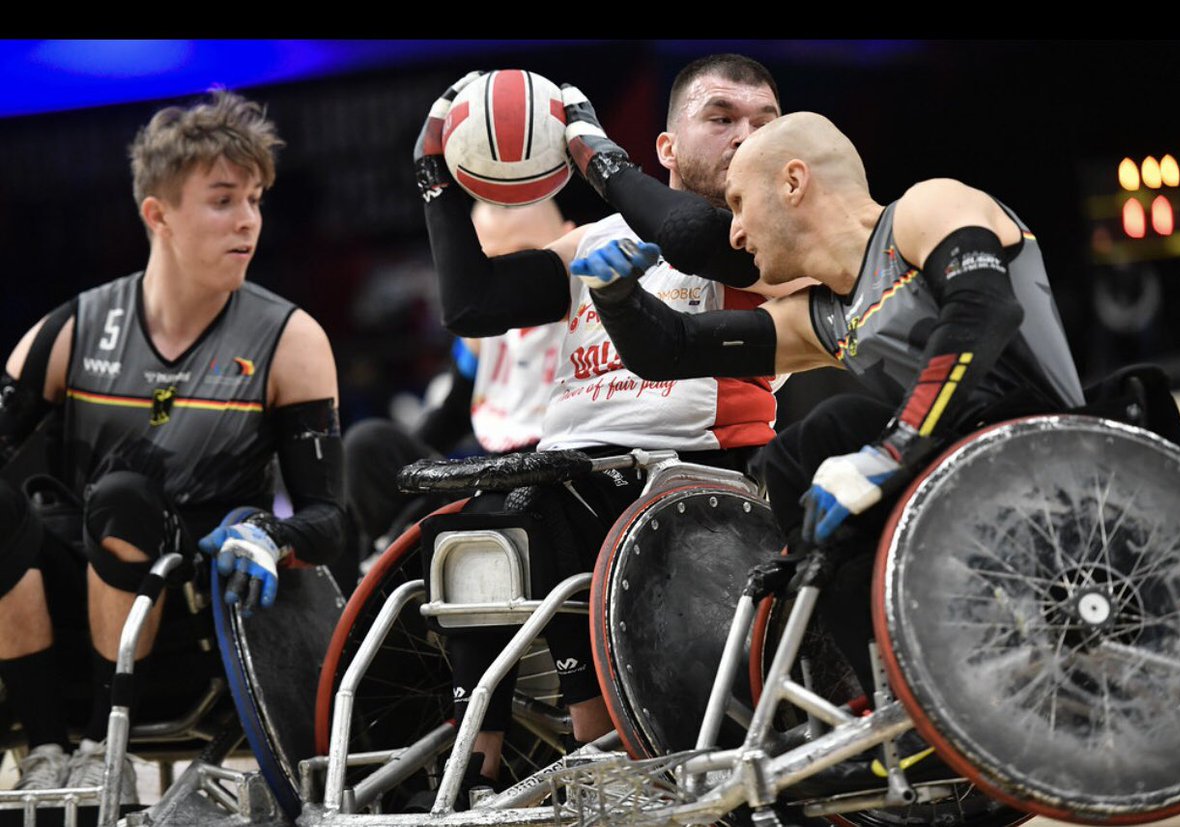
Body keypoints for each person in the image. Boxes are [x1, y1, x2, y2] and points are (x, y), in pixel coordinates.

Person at [571, 110, 1087, 687]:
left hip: (1059, 468)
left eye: (739, 204)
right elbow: (673, 350)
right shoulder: (825, 314)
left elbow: (984, 310)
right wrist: (615, 296)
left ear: (793, 183)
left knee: (846, 423)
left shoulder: (926, 208)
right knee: (805, 450)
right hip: (958, 487)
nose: (734, 235)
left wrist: (891, 453)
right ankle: (888, 696)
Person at [414, 54, 786, 795]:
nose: (746, 135)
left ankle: (601, 745)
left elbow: (688, 234)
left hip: (693, 477)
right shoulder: (593, 242)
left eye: (763, 123)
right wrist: (433, 181)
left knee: (543, 510)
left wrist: (592, 149)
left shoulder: (770, 233)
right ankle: (470, 764)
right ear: (668, 149)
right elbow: (473, 306)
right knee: (463, 523)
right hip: (575, 469)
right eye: (722, 118)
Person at [0, 89, 346, 801]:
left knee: (123, 497)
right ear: (157, 214)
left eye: (255, 199)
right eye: (224, 200)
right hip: (61, 624)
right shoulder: (72, 330)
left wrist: (273, 535)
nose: (248, 220)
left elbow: (331, 520)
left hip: (196, 620)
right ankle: (42, 748)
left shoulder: (292, 341)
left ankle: (106, 748)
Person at [344, 199, 573, 559]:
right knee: (367, 446)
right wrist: (407, 480)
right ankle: (382, 569)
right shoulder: (485, 330)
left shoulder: (598, 310)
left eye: (527, 255)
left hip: (563, 489)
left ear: (568, 239)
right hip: (486, 484)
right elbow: (448, 419)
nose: (511, 278)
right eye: (493, 262)